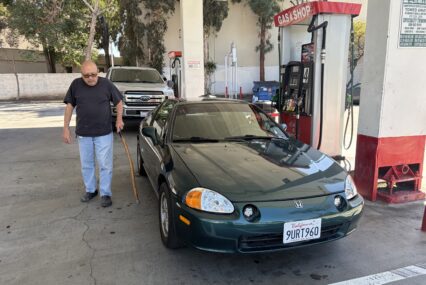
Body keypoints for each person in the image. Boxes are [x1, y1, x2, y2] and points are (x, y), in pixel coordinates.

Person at [62, 60, 124, 207]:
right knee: (87, 164)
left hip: (103, 132)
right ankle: (91, 190)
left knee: (105, 164)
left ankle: (105, 193)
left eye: (93, 75)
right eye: (86, 75)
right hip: (84, 132)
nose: (90, 78)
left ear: (98, 73)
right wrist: (65, 128)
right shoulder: (76, 85)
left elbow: (119, 102)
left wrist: (119, 120)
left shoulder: (106, 84)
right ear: (81, 74)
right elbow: (70, 106)